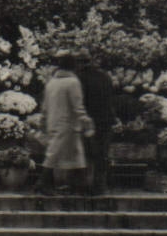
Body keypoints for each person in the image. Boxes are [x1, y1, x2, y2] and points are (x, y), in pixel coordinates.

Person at [38, 51, 88, 194]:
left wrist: (43, 122)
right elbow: (77, 106)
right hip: (68, 124)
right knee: (60, 154)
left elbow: (45, 106)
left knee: (70, 154)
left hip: (53, 122)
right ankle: (42, 183)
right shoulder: (73, 82)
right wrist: (85, 121)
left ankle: (79, 185)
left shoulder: (51, 82)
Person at [75, 50, 115, 195]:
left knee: (87, 154)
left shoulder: (79, 78)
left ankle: (84, 186)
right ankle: (100, 186)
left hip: (89, 121)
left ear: (79, 63)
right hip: (106, 120)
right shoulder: (105, 76)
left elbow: (80, 102)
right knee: (102, 154)